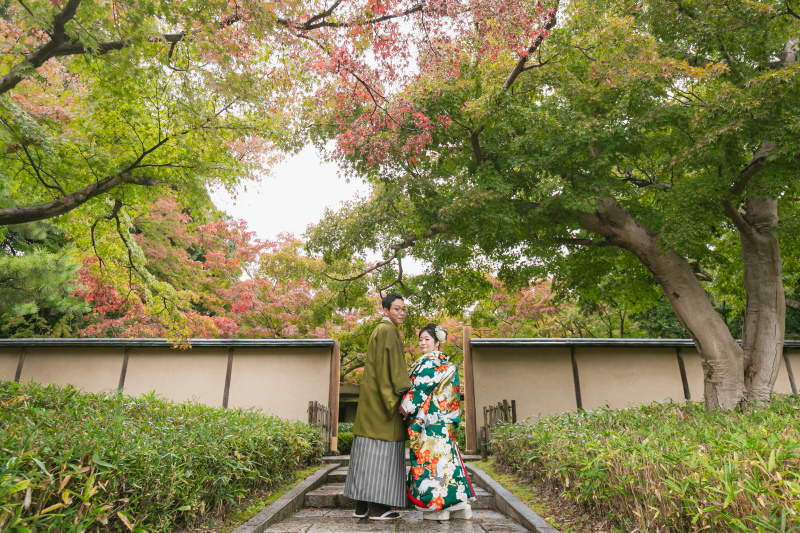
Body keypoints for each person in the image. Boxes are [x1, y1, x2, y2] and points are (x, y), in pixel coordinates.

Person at [344, 293, 412, 520]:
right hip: (384, 406)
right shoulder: (389, 331)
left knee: (365, 455)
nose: (401, 313)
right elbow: (394, 369)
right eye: (396, 308)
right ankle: (378, 508)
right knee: (383, 454)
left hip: (370, 405)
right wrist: (403, 397)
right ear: (385, 310)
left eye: (403, 309)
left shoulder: (378, 330)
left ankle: (361, 507)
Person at [401, 323, 476, 521]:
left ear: (437, 343)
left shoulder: (428, 363)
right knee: (448, 461)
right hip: (446, 422)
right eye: (421, 339)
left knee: (433, 463)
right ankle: (460, 505)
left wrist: (405, 407)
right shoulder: (448, 364)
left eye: (427, 339)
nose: (423, 343)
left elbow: (418, 389)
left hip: (431, 423)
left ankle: (439, 508)